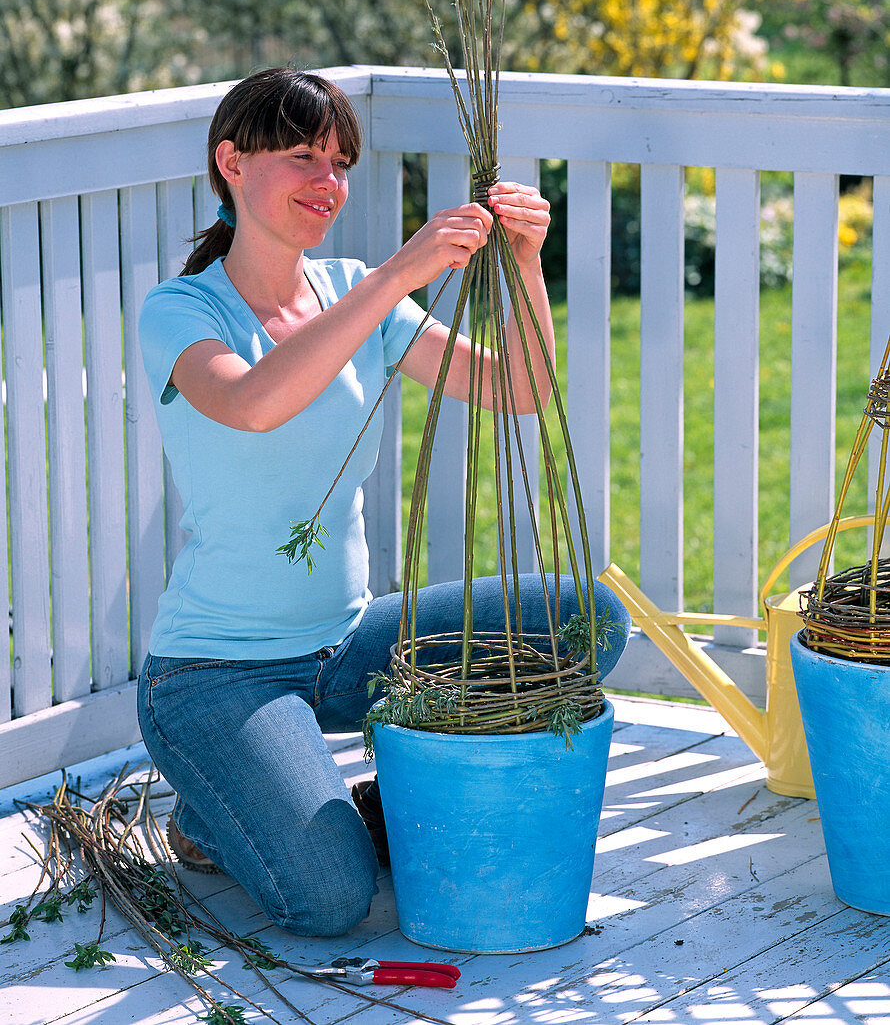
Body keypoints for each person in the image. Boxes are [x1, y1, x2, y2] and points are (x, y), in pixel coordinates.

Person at [136, 66, 629, 938]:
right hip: (217, 676)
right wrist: (400, 271)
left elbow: (519, 386)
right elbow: (253, 402)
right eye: (301, 157)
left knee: (586, 619)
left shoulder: (357, 292)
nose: (326, 183)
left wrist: (522, 261)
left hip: (352, 644)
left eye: (338, 162)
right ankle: (214, 811)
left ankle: (350, 794)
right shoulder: (181, 311)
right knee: (329, 900)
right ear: (232, 163)